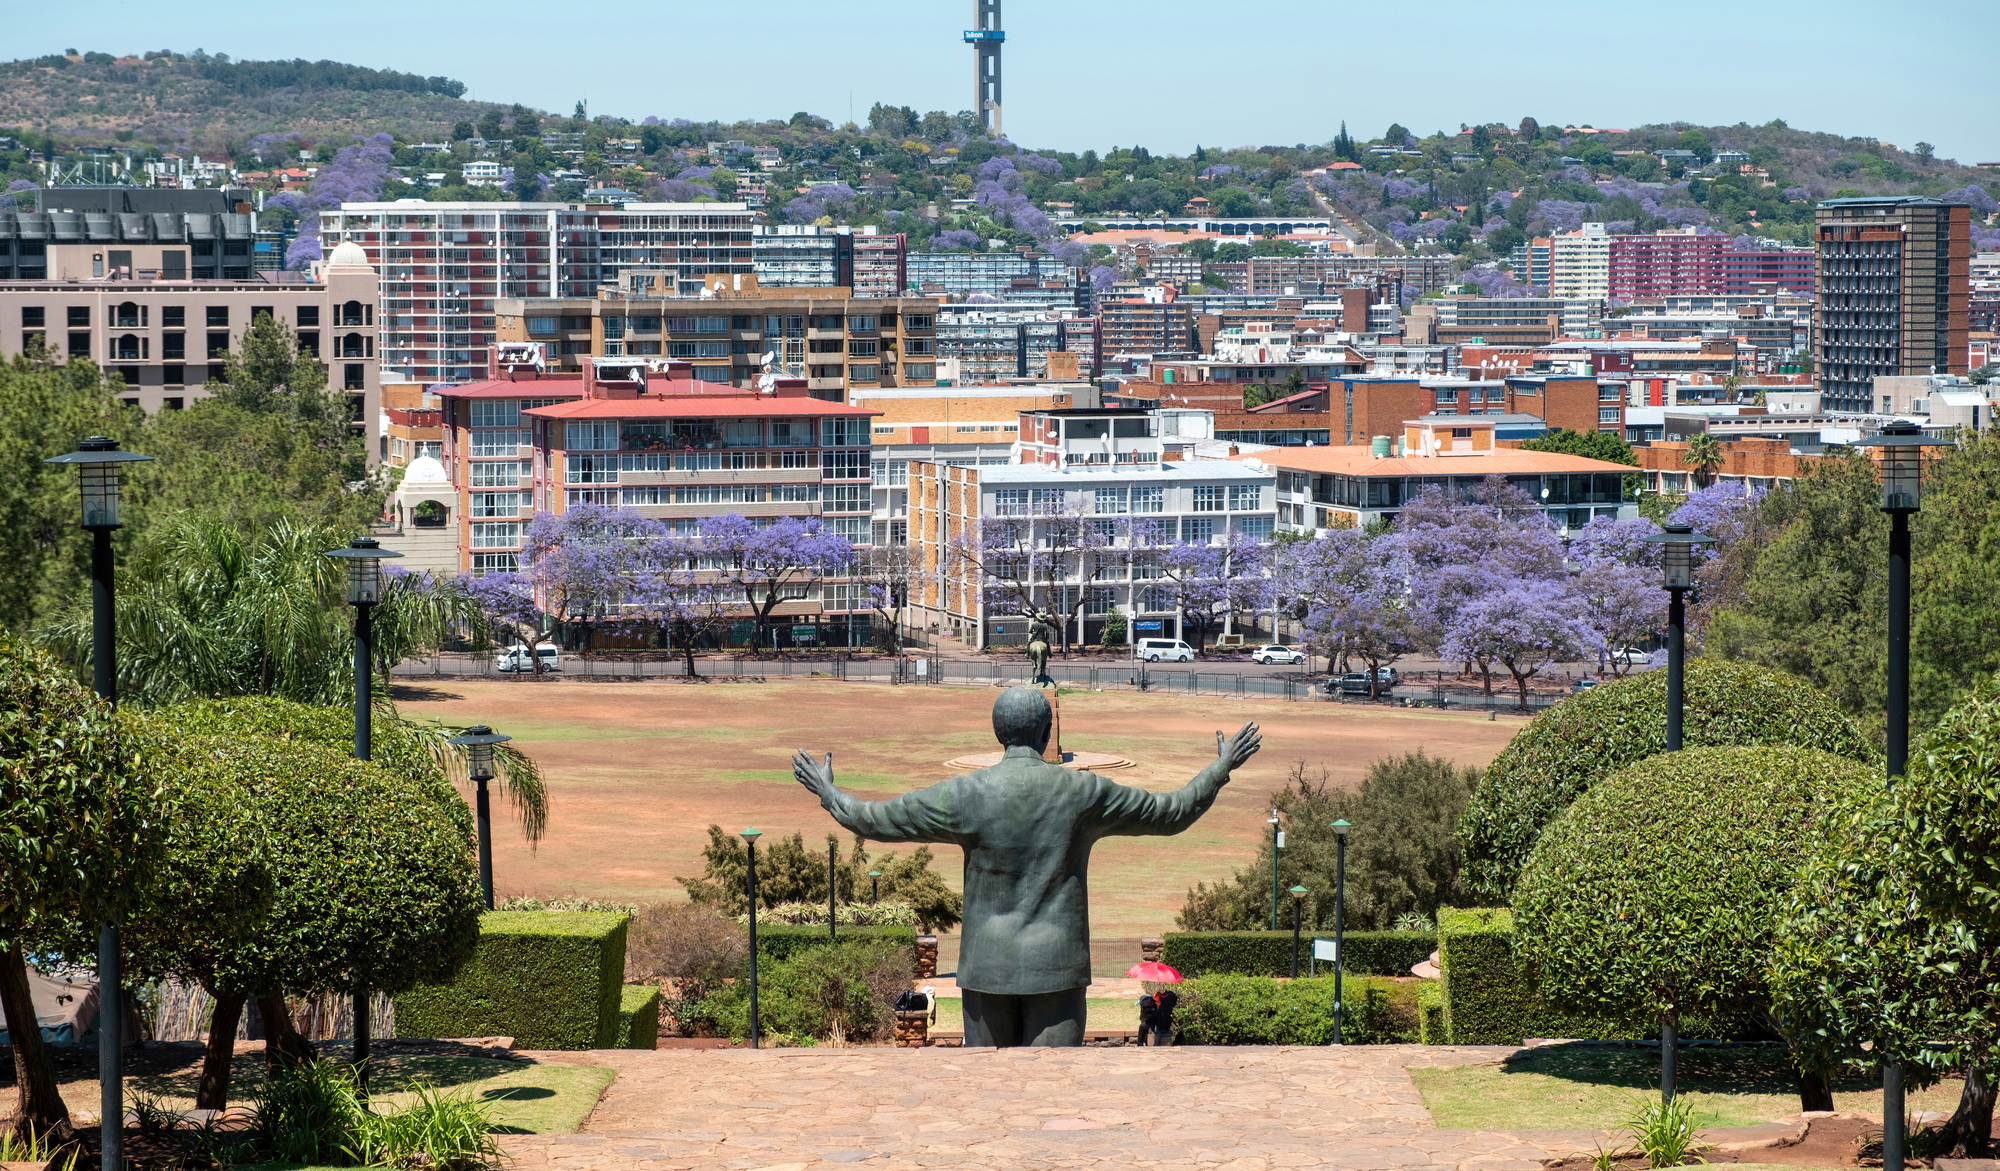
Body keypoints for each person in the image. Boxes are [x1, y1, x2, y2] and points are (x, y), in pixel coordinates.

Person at [794, 686, 1260, 1047]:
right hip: (1055, 967)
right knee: (1052, 1091)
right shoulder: (1084, 793)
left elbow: (874, 820)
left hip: (985, 968)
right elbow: (1172, 813)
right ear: (1045, 735)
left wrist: (829, 793)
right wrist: (1220, 768)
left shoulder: (964, 795)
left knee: (986, 1092)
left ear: (999, 735)